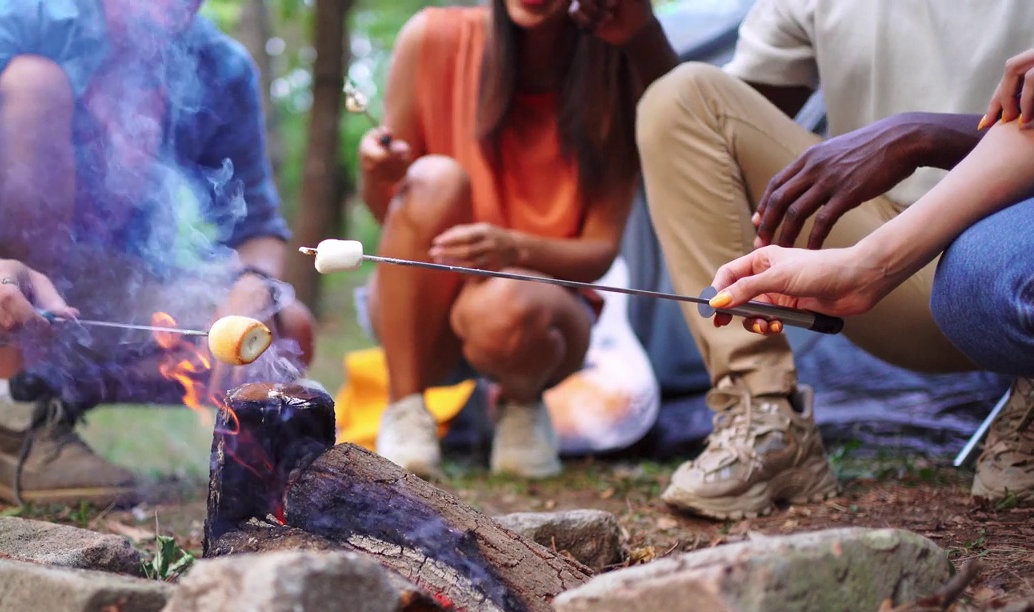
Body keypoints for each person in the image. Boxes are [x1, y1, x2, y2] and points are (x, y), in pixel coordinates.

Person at [0, 0, 315, 506]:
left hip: (70, 300)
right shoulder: (24, 12)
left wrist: (252, 285)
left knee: (282, 333)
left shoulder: (220, 65)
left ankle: (53, 396)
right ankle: (15, 421)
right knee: (33, 85)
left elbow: (258, 230)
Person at [634, 0, 1034, 519]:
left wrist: (920, 136)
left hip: (1008, 255)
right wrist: (638, 39)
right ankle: (767, 420)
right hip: (893, 269)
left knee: (986, 263)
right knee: (681, 96)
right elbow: (706, 129)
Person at [357, 0, 677, 480]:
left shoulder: (615, 71)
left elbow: (599, 253)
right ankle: (405, 410)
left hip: (534, 318)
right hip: (421, 315)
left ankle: (520, 404)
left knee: (506, 301)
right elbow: (392, 213)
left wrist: (512, 248)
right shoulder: (431, 38)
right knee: (434, 177)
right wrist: (374, 172)